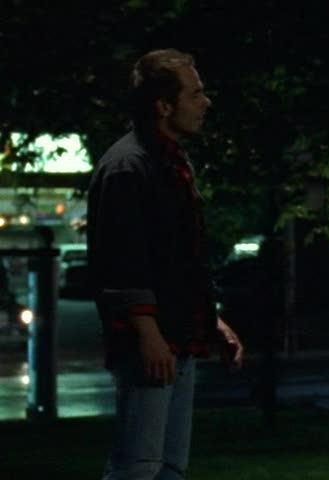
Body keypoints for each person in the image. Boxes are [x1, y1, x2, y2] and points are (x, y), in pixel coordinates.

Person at [87, 49, 244, 480]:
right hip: (154, 340)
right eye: (195, 94)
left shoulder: (169, 161)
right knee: (138, 466)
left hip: (176, 334)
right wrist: (147, 333)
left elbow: (179, 258)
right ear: (164, 106)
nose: (205, 102)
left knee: (168, 466)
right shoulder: (129, 167)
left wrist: (210, 320)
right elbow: (122, 261)